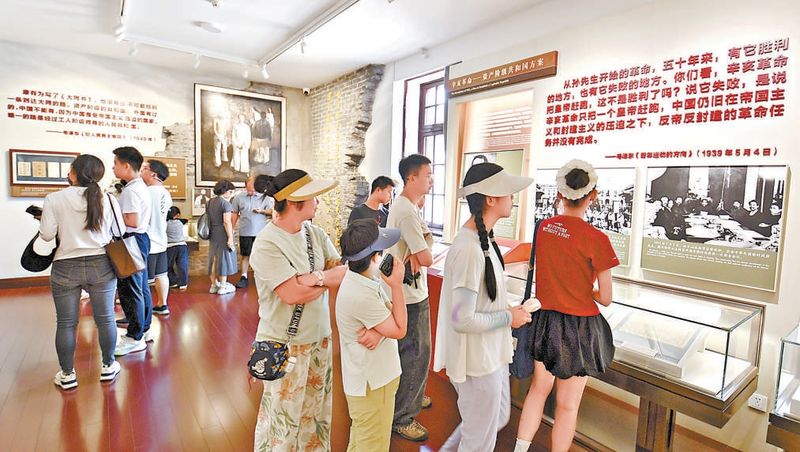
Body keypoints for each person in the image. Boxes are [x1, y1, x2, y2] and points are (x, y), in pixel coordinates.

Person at [515, 159, 618, 452]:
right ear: (592, 196)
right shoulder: (598, 239)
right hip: (580, 327)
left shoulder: (544, 228)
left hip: (546, 320)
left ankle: (519, 449)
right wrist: (586, 289)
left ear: (560, 194)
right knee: (568, 405)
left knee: (538, 391)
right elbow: (606, 297)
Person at [434, 163, 534, 451]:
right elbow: (461, 319)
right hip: (477, 362)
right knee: (479, 441)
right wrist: (508, 317)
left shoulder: (482, 241)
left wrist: (509, 311)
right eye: (508, 193)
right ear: (490, 198)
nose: (513, 198)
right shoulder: (469, 249)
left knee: (494, 420)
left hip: (489, 356)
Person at [249, 169, 347, 451]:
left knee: (315, 414)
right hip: (284, 343)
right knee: (282, 421)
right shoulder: (266, 243)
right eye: (313, 196)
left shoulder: (314, 233)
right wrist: (322, 280)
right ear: (294, 201)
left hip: (320, 337)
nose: (318, 202)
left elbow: (342, 272)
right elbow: (292, 294)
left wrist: (313, 278)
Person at [38, 154, 123, 389]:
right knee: (105, 319)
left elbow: (46, 235)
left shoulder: (54, 198)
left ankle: (67, 374)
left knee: (66, 322)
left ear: (74, 173)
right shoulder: (108, 198)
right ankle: (108, 366)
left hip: (65, 265)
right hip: (101, 263)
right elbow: (119, 231)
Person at [336, 220, 406, 452]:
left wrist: (378, 332)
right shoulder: (361, 294)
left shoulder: (361, 279)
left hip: (369, 382)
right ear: (375, 258)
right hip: (374, 384)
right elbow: (399, 328)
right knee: (373, 445)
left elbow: (388, 315)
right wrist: (397, 286)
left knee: (361, 442)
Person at [383, 154, 434, 442]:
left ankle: (412, 395)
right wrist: (420, 251)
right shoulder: (406, 211)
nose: (431, 181)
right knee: (416, 354)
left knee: (413, 352)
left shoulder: (408, 207)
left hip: (409, 290)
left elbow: (424, 246)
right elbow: (426, 257)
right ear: (411, 178)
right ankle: (402, 416)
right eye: (427, 175)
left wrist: (420, 249)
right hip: (410, 294)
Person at [112, 146, 154, 356]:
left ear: (126, 166)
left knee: (131, 289)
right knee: (140, 286)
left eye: (115, 164)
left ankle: (135, 336)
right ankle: (144, 329)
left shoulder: (130, 190)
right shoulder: (138, 187)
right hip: (139, 240)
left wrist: (110, 214)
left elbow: (132, 220)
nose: (113, 167)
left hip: (131, 240)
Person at [231, 175, 274, 288]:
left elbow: (272, 212)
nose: (252, 192)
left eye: (254, 190)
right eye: (249, 190)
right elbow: (234, 213)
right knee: (245, 255)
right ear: (245, 187)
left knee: (262, 255)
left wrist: (262, 211)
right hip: (245, 232)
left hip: (261, 233)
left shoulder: (265, 198)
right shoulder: (238, 198)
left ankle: (262, 277)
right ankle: (244, 277)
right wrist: (231, 229)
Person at [142, 159, 173, 316]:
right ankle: (162, 304)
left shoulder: (146, 192)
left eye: (145, 169)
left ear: (153, 174)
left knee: (143, 281)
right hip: (161, 241)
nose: (141, 171)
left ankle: (142, 312)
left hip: (148, 242)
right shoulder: (166, 193)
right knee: (161, 275)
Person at [207, 180, 238, 295]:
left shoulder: (210, 202)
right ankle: (223, 286)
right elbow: (227, 222)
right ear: (225, 191)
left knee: (213, 259)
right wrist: (230, 238)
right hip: (223, 233)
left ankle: (214, 285)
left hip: (213, 233)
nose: (231, 194)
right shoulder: (226, 204)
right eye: (230, 191)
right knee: (223, 258)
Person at [166, 206, 189, 291]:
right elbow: (186, 220)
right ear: (177, 215)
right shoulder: (180, 222)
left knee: (168, 266)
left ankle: (173, 281)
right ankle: (183, 283)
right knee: (182, 265)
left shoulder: (165, 223)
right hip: (181, 246)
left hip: (170, 246)